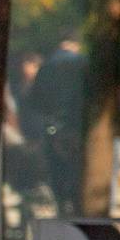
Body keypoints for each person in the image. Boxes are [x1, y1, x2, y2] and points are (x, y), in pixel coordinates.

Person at [25, 34, 87, 217]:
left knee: (57, 172)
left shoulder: (48, 66)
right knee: (76, 174)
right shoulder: (85, 64)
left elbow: (35, 100)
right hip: (78, 127)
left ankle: (62, 208)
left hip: (53, 128)